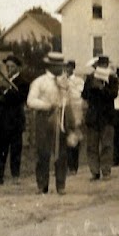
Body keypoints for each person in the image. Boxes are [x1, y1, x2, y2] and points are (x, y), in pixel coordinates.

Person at [26, 52, 81, 194]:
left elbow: (73, 98)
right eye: (58, 66)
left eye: (62, 66)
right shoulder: (40, 82)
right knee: (43, 152)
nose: (61, 68)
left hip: (61, 117)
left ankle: (61, 185)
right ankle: (42, 185)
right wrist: (47, 105)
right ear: (50, 66)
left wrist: (66, 89)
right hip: (45, 117)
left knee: (62, 152)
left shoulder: (65, 82)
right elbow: (31, 101)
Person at [81, 55, 119, 181]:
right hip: (93, 116)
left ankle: (106, 170)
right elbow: (84, 95)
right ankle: (95, 171)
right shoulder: (90, 78)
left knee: (107, 145)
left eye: (104, 65)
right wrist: (92, 86)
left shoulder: (112, 78)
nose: (102, 67)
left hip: (107, 116)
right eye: (100, 65)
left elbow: (114, 94)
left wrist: (102, 88)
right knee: (92, 145)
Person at [0, 55, 27, 185]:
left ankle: (15, 176)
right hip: (2, 121)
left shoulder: (23, 82)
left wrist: (6, 91)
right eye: (7, 67)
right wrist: (4, 91)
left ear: (18, 68)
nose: (9, 69)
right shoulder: (2, 82)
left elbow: (19, 98)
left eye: (12, 66)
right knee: (0, 149)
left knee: (16, 149)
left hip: (16, 121)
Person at [65, 60, 85, 171]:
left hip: (76, 109)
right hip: (65, 109)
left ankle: (74, 165)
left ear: (73, 68)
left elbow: (79, 94)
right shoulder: (62, 79)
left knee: (75, 135)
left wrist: (70, 87)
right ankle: (67, 164)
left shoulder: (78, 81)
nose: (67, 70)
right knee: (65, 136)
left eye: (69, 67)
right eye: (66, 67)